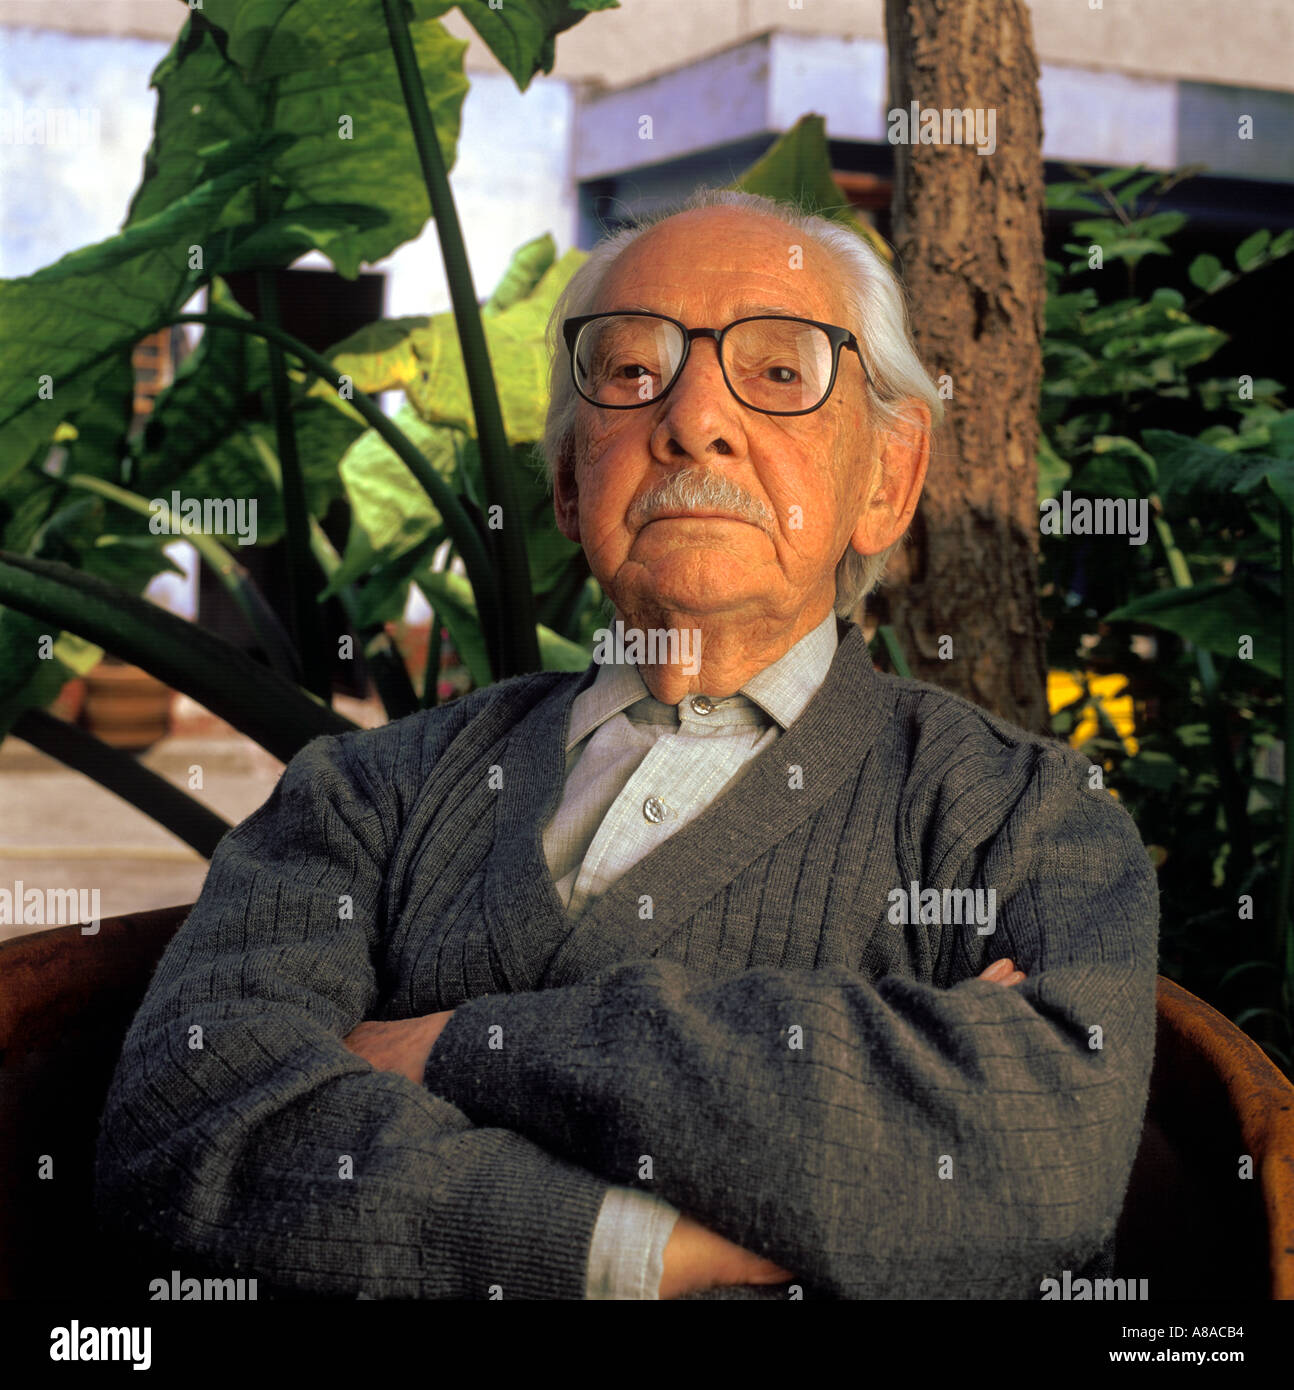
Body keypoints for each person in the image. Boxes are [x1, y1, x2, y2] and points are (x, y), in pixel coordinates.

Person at [95, 190, 1159, 1301]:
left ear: (885, 479)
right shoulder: (369, 793)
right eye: (631, 372)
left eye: (782, 373)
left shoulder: (1018, 816)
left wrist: (456, 1042)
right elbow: (188, 1135)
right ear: (566, 480)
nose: (694, 419)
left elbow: (1033, 1160)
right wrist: (642, 1250)